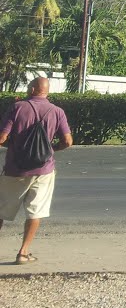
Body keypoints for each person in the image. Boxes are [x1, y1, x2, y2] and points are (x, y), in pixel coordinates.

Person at [0, 76, 73, 265]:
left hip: (14, 170)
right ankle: (23, 253)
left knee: (1, 211)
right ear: (46, 91)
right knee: (35, 211)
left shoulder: (17, 108)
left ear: (32, 90)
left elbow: (1, 138)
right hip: (44, 170)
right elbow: (67, 142)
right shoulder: (57, 111)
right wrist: (51, 149)